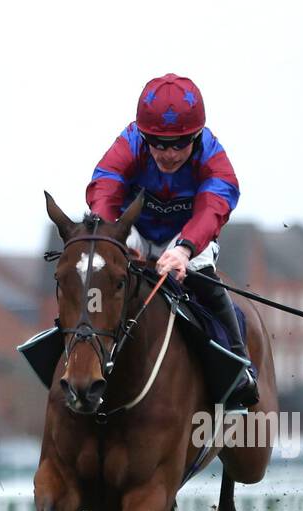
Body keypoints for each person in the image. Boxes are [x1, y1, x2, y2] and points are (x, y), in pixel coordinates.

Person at [85, 73, 257, 409]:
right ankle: (70, 348)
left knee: (204, 279)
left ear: (196, 135)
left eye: (179, 143)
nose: (168, 154)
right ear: (143, 135)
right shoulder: (129, 143)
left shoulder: (211, 154)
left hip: (189, 235)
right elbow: (105, 183)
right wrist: (109, 234)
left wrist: (184, 248)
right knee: (94, 270)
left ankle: (240, 365)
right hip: (133, 230)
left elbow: (215, 203)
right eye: (158, 143)